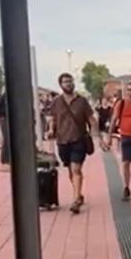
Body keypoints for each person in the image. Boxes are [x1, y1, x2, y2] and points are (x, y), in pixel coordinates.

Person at [48, 73, 98, 214]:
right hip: (62, 141)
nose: (69, 84)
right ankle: (79, 193)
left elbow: (91, 119)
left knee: (76, 169)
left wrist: (97, 136)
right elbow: (52, 118)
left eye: (70, 81)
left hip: (79, 139)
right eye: (65, 82)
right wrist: (51, 130)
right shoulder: (56, 102)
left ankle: (76, 199)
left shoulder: (82, 101)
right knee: (70, 170)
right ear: (61, 85)